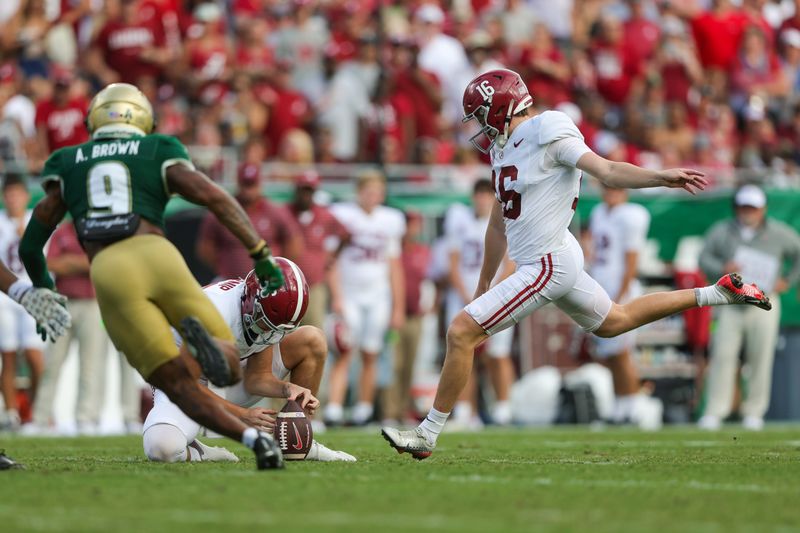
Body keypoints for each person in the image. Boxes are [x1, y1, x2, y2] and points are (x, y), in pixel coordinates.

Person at [382, 68, 771, 459]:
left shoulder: (548, 130)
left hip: (547, 260)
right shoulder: (503, 148)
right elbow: (499, 224)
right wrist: (485, 282)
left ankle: (427, 434)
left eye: (482, 113)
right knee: (615, 321)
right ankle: (716, 292)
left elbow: (608, 170)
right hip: (548, 256)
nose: (480, 125)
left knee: (460, 332)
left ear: (501, 105)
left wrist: (659, 177)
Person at [19, 83, 287, 470]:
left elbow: (30, 247)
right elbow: (213, 196)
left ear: (94, 118)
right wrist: (260, 253)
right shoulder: (159, 148)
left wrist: (44, 290)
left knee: (176, 384)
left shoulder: (69, 160)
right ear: (142, 117)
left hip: (111, 269)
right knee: (227, 363)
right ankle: (210, 362)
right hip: (159, 254)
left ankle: (237, 433)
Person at [143, 258, 355, 463]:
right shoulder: (212, 313)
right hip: (182, 383)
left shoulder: (262, 316)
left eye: (280, 331)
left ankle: (296, 441)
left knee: (312, 339)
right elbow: (188, 386)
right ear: (250, 302)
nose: (272, 335)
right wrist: (241, 415)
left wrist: (288, 389)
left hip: (226, 374)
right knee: (162, 447)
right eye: (268, 325)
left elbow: (257, 378)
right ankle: (200, 452)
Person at [697, 185, 800, 431]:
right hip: (729, 301)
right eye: (744, 206)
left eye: (753, 207)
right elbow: (703, 258)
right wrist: (723, 266)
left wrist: (787, 280)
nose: (748, 211)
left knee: (760, 356)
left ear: (763, 209)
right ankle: (715, 410)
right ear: (737, 208)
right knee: (722, 354)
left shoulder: (779, 233)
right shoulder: (722, 231)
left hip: (763, 302)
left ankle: (754, 411)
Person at [324, 171, 405, 426]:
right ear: (358, 191)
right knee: (344, 350)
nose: (372, 197)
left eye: (377, 191)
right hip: (349, 293)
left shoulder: (390, 219)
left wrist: (398, 307)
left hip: (378, 295)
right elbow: (332, 260)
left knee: (371, 353)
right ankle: (334, 408)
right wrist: (336, 295)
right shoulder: (343, 215)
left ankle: (363, 408)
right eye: (368, 191)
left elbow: (394, 266)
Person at [445, 179, 516, 427]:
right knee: (464, 351)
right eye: (480, 194)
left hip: (498, 295)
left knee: (498, 354)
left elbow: (511, 262)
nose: (483, 199)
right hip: (465, 296)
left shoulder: (504, 219)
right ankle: (466, 408)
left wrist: (492, 292)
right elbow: (452, 263)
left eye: (488, 194)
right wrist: (468, 294)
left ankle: (504, 406)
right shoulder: (459, 221)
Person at [28, 223, 109, 435]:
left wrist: (69, 262)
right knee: (51, 363)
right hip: (63, 303)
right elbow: (51, 264)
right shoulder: (62, 231)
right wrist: (80, 263)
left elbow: (99, 264)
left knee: (90, 364)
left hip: (92, 304)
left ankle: (86, 418)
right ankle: (41, 417)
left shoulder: (98, 230)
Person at [588, 185, 654, 425]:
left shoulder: (631, 215)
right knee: (610, 354)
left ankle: (633, 405)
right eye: (606, 188)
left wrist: (620, 293)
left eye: (614, 189)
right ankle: (619, 405)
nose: (610, 192)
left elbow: (631, 261)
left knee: (622, 352)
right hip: (601, 287)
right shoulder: (598, 213)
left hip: (620, 289)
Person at [197, 162, 303, 280]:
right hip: (230, 281)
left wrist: (277, 266)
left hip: (265, 282)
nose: (248, 191)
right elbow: (205, 247)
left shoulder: (275, 212)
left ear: (259, 184)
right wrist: (224, 266)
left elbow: (294, 242)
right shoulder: (223, 210)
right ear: (238, 183)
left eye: (252, 185)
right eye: (245, 185)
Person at [0, 175, 45, 430]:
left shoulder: (35, 221)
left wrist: (27, 237)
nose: (13, 199)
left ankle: (33, 409)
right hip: (5, 296)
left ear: (26, 196)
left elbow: (45, 259)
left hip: (32, 295)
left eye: (17, 193)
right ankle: (10, 412)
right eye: (9, 194)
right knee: (7, 356)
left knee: (34, 357)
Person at [285, 171, 349, 330]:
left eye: (309, 190)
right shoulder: (284, 213)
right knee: (284, 335)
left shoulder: (323, 215)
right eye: (303, 190)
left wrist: (332, 257)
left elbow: (345, 235)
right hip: (286, 286)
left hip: (313, 285)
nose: (306, 195)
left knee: (314, 332)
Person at [383, 211, 430, 425]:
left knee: (410, 365)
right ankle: (388, 412)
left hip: (415, 317)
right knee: (393, 365)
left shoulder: (422, 252)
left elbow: (431, 280)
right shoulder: (393, 251)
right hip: (392, 316)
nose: (414, 229)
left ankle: (403, 410)